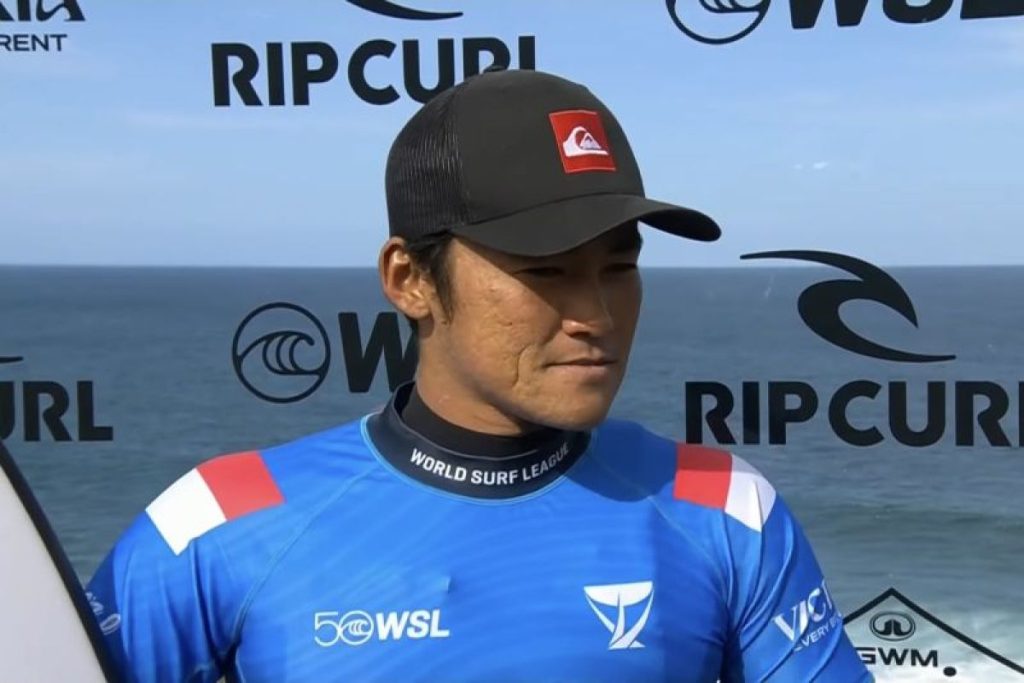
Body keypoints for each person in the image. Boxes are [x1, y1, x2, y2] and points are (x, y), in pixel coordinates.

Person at [85, 67, 873, 682]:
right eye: (545, 270)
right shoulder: (218, 519)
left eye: (620, 266)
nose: (596, 313)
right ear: (409, 279)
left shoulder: (726, 506)